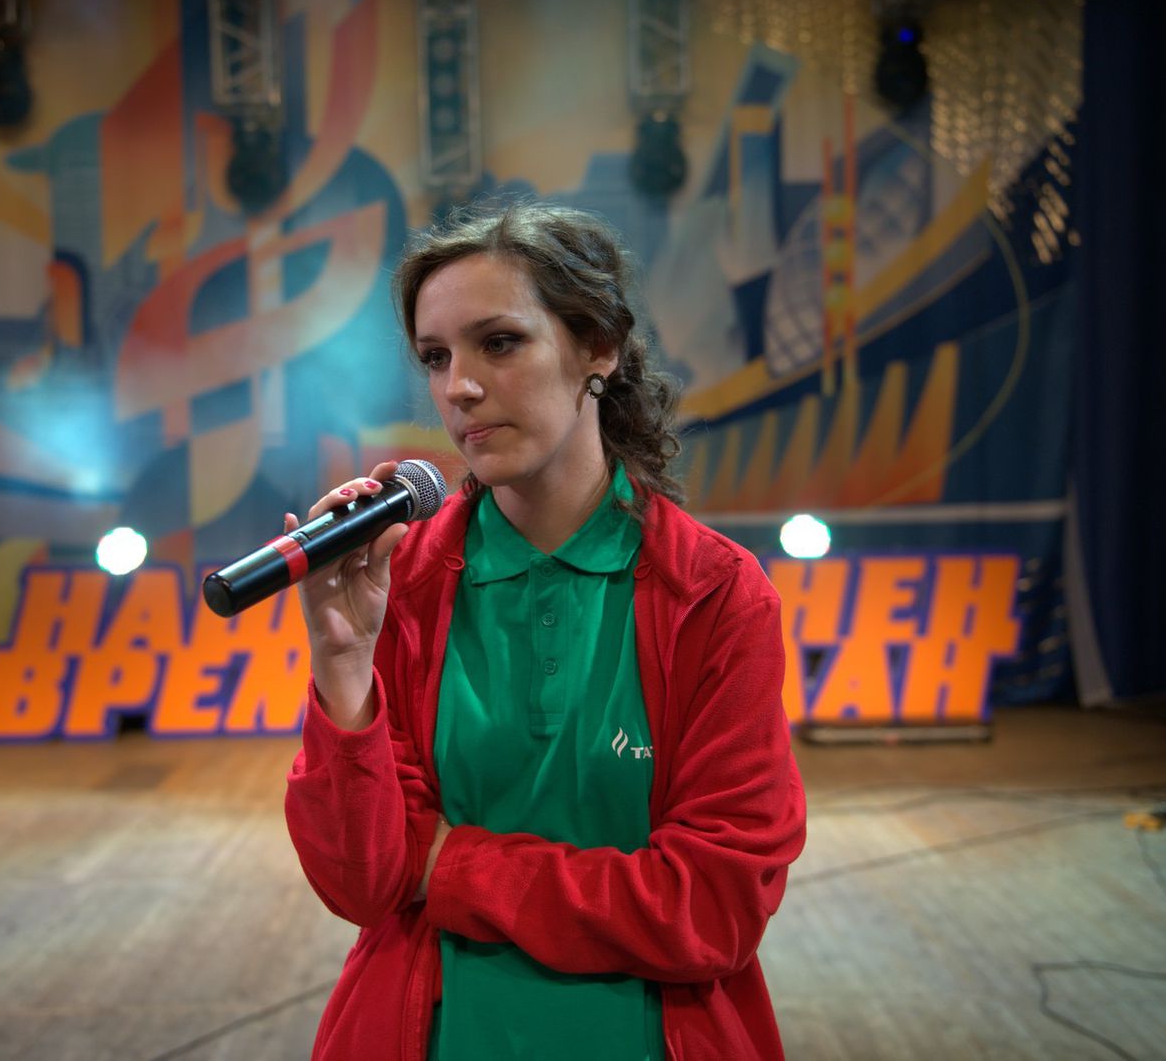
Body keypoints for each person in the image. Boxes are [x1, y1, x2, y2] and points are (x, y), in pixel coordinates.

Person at [283, 201, 806, 1060]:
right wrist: (344, 665)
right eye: (436, 357)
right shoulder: (404, 585)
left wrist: (447, 865)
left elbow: (711, 909)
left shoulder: (715, 595)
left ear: (598, 347)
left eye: (499, 343)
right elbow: (363, 883)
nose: (459, 387)